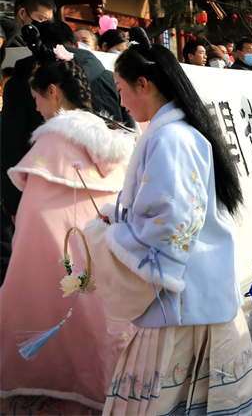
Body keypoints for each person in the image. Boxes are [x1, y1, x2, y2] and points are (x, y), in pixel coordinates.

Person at [83, 27, 252, 415]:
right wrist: (119, 218)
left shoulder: (171, 139)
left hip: (180, 296)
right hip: (193, 288)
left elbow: (173, 220)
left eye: (120, 88)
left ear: (143, 84)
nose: (121, 99)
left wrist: (111, 236)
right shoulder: (176, 133)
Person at [0, 53, 134, 413]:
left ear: (54, 92)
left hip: (65, 268)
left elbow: (35, 226)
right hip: (112, 263)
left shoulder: (50, 146)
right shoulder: (114, 141)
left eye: (38, 99)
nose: (38, 109)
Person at [0, 20, 133, 228]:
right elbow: (129, 128)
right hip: (111, 199)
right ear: (74, 45)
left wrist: (14, 205)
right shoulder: (109, 80)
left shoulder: (47, 134)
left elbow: (11, 144)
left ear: (51, 92)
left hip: (49, 204)